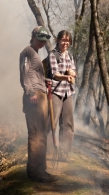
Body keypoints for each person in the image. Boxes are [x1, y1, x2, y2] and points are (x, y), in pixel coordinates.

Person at [19, 26, 57, 183]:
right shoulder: (27, 52)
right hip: (34, 96)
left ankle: (38, 169)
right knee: (36, 134)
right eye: (40, 39)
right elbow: (24, 73)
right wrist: (30, 93)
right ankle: (36, 172)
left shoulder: (35, 53)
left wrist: (45, 82)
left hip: (40, 94)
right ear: (33, 37)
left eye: (44, 41)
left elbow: (35, 75)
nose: (42, 43)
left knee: (41, 133)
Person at [47, 30, 77, 162]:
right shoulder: (53, 55)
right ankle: (49, 152)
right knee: (51, 122)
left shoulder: (69, 56)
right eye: (63, 40)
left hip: (68, 92)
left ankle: (65, 153)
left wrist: (72, 73)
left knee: (68, 124)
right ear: (58, 40)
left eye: (67, 41)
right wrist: (67, 76)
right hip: (56, 92)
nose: (65, 43)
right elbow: (54, 74)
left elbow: (74, 71)